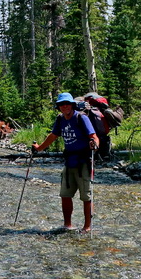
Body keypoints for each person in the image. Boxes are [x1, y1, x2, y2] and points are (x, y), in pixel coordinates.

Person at [31, 92, 98, 232]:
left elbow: (94, 136)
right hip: (69, 162)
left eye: (67, 104)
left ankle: (87, 227)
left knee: (86, 196)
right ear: (59, 106)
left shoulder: (81, 118)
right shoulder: (60, 119)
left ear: (72, 105)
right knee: (65, 195)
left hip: (84, 162)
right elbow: (53, 136)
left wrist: (95, 144)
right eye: (61, 104)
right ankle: (67, 225)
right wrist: (39, 149)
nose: (64, 106)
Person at [82, 93, 112, 163]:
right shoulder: (99, 111)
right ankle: (103, 156)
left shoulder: (88, 110)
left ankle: (94, 156)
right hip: (102, 134)